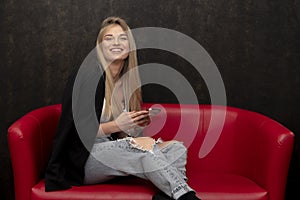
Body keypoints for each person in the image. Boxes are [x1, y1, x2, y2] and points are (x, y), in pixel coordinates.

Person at [45, 16, 200, 200]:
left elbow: (121, 136)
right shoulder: (88, 75)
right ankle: (186, 197)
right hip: (84, 157)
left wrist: (135, 126)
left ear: (130, 47)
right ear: (100, 46)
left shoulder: (127, 82)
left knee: (177, 148)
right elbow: (80, 131)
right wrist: (118, 127)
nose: (116, 43)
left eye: (122, 38)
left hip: (113, 150)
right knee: (138, 149)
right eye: (109, 38)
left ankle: (166, 196)